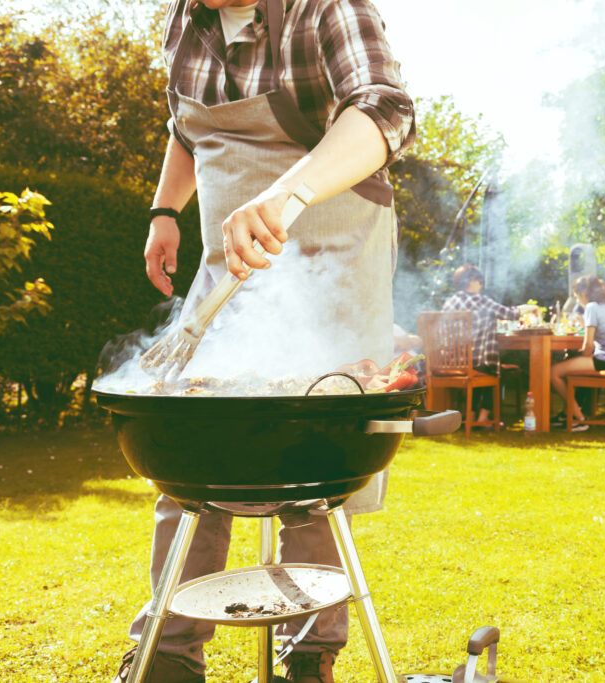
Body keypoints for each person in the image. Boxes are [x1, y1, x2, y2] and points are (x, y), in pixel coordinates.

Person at [113, 1, 415, 682]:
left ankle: (309, 652)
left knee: (309, 462)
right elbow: (188, 127)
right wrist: (167, 210)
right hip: (229, 264)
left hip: (332, 252)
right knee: (191, 443)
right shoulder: (186, 20)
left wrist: (284, 195)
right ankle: (170, 648)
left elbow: (385, 108)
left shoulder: (326, 8)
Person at [441, 264, 537, 427]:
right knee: (494, 370)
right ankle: (483, 419)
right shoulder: (481, 300)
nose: (481, 285)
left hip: (450, 363)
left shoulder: (449, 303)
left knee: (484, 369)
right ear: (471, 282)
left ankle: (471, 416)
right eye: (479, 281)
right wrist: (531, 307)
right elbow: (509, 313)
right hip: (475, 363)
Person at [550, 275, 605, 432]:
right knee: (571, 364)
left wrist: (583, 359)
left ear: (584, 293)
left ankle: (578, 418)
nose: (577, 301)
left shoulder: (592, 307)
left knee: (554, 372)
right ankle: (567, 414)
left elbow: (588, 344)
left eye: (576, 296)